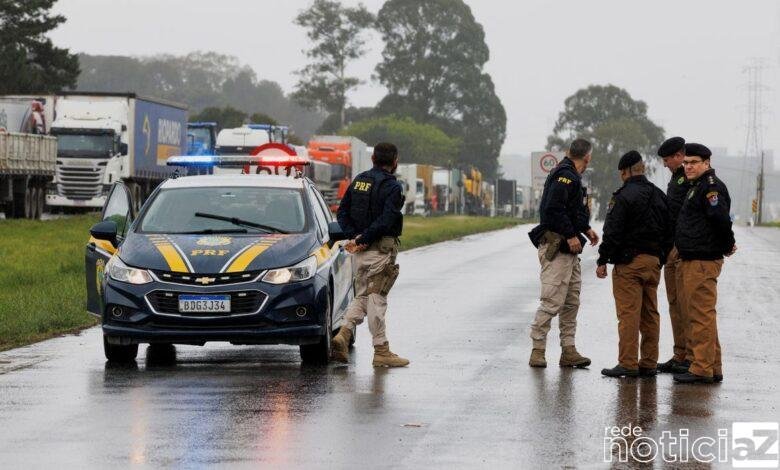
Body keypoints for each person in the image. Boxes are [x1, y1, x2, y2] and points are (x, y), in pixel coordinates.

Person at [596, 151, 673, 378]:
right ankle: (649, 362)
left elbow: (612, 231)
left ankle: (628, 363)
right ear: (642, 169)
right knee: (650, 314)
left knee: (629, 314)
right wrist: (661, 257)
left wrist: (602, 259)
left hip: (629, 264)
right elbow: (670, 231)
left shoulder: (622, 196)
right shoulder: (659, 195)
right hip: (653, 263)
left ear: (625, 171)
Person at [332, 142, 409, 368]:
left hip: (358, 253)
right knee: (377, 299)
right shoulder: (393, 188)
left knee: (363, 296)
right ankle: (381, 350)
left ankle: (343, 334)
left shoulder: (359, 181)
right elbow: (386, 219)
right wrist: (364, 238)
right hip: (379, 252)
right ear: (394, 161)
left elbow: (342, 211)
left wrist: (353, 237)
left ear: (373, 158)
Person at [527, 138, 599, 368]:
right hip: (557, 247)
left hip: (569, 251)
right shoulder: (565, 175)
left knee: (571, 303)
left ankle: (569, 350)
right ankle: (537, 350)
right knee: (551, 301)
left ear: (570, 152)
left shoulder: (573, 176)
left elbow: (572, 210)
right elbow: (553, 209)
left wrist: (586, 229)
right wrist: (570, 234)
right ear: (587, 157)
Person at [673, 143, 736, 384]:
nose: (688, 167)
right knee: (703, 316)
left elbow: (720, 219)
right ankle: (713, 366)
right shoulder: (697, 186)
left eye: (693, 163)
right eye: (686, 163)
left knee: (700, 316)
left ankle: (701, 368)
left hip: (702, 260)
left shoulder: (710, 187)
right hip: (694, 257)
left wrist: (727, 244)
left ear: (706, 163)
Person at [655, 137, 693, 374]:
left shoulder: (688, 177)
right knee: (674, 303)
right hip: (671, 247)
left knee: (686, 305)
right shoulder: (676, 178)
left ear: (679, 156)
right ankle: (680, 353)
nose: (666, 164)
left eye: (668, 159)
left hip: (682, 246)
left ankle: (691, 355)